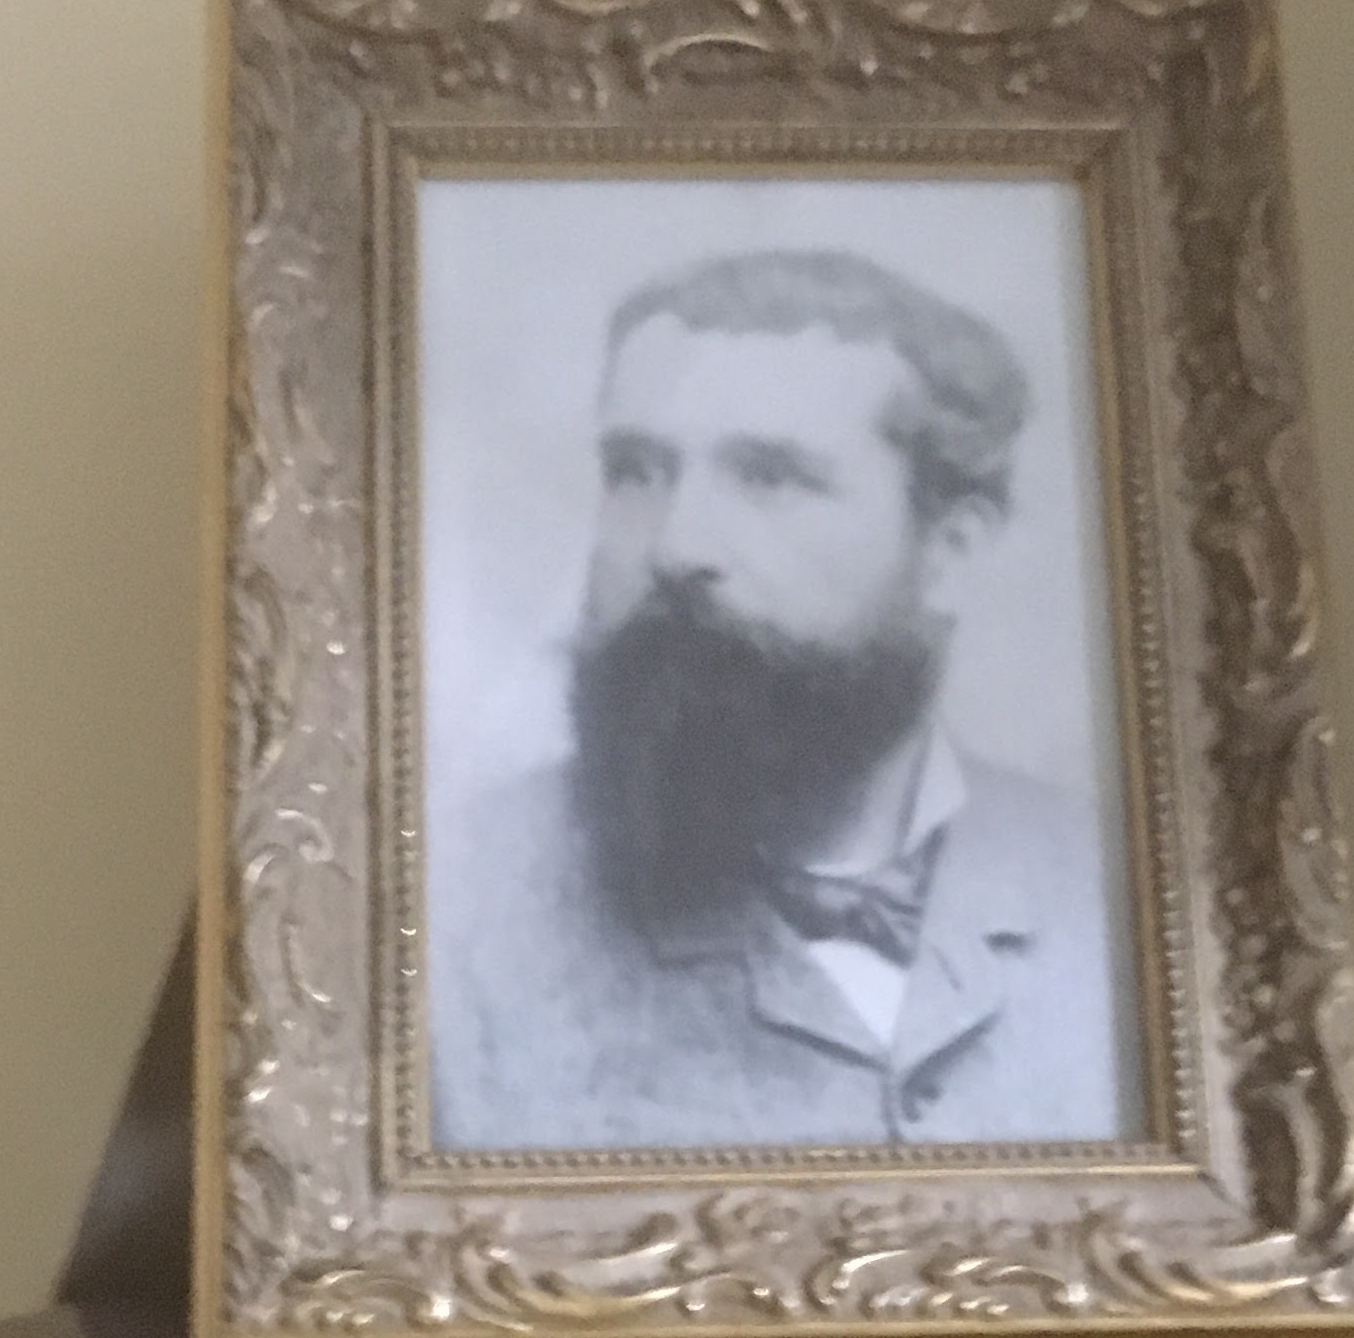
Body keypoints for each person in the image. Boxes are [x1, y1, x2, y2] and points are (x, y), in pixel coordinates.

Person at [428, 246, 1129, 1154]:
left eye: (769, 477)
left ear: (951, 549)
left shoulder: (1118, 891)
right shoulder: (443, 920)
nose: (675, 547)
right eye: (637, 471)